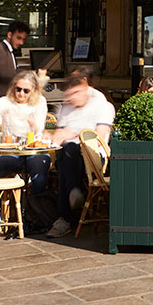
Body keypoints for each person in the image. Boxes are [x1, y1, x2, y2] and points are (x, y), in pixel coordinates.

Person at [46, 75, 115, 238]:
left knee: (67, 153)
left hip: (95, 158)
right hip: (71, 157)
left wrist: (73, 134)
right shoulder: (67, 107)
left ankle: (64, 218)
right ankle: (73, 193)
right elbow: (59, 134)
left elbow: (98, 139)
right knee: (66, 155)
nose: (70, 97)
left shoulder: (101, 103)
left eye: (75, 92)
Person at [0, 70, 50, 194]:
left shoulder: (39, 102)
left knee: (39, 173)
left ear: (34, 90)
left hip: (33, 148)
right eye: (18, 89)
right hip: (12, 149)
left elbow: (39, 129)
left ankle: (34, 208)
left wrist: (32, 123)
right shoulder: (5, 101)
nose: (21, 93)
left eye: (26, 91)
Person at [0, 21, 29, 121]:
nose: (21, 43)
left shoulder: (7, 50)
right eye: (18, 38)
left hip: (3, 101)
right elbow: (0, 73)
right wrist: (25, 75)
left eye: (23, 39)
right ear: (9, 34)